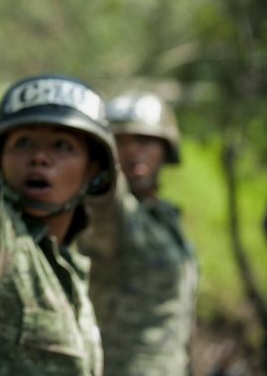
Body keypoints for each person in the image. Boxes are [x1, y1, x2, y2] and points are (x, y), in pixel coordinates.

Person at [0, 74, 117, 375]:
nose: (39, 157)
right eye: (23, 143)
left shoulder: (70, 269)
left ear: (93, 171)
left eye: (62, 145)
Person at [78, 90, 198, 376]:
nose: (131, 151)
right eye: (118, 141)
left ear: (165, 149)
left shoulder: (165, 217)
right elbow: (107, 203)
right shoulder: (111, 213)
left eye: (144, 141)